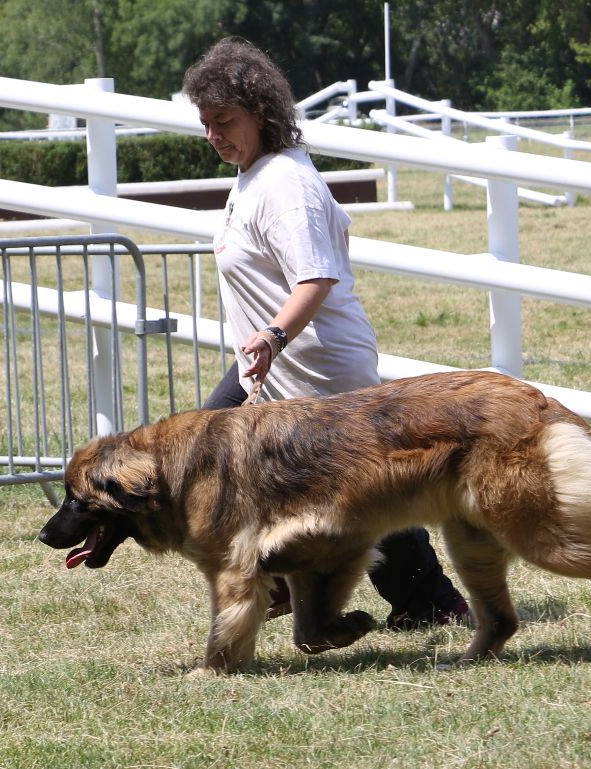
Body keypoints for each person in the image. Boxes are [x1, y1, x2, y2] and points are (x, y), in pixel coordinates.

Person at [182, 36, 468, 629]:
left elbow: (315, 280)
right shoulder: (254, 175)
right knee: (212, 455)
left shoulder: (286, 186)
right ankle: (283, 580)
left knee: (364, 492)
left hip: (316, 364)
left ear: (260, 113)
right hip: (269, 363)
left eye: (224, 121)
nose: (215, 135)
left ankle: (429, 603)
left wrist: (273, 338)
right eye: (206, 124)